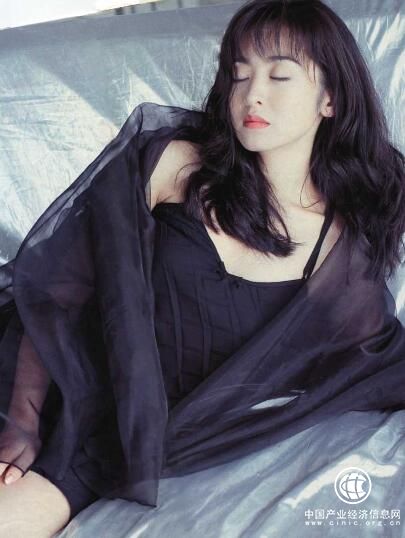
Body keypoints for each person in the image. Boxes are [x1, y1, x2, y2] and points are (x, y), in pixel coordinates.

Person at [0, 0, 404, 535]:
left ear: (330, 98)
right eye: (239, 73)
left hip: (119, 442)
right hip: (51, 385)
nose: (252, 93)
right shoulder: (175, 165)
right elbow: (56, 295)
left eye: (280, 75)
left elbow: (369, 362)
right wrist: (23, 420)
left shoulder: (340, 247)